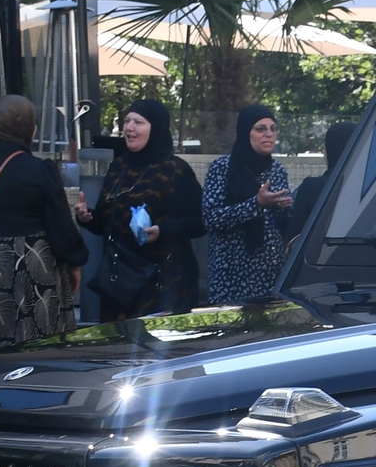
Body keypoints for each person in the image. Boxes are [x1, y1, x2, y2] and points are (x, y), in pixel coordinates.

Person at [0, 93, 88, 354]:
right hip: (36, 266)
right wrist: (76, 261)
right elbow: (61, 228)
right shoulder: (40, 171)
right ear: (29, 130)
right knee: (40, 345)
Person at [94, 98, 201, 317]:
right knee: (117, 346)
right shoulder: (119, 167)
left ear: (157, 128)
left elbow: (201, 222)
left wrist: (163, 231)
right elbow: (104, 222)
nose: (130, 128)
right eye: (127, 121)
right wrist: (86, 218)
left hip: (162, 285)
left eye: (138, 122)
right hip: (121, 284)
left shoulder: (175, 170)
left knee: (154, 349)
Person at [201, 103, 292, 303]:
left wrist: (284, 208)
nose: (268, 134)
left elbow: (284, 223)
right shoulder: (222, 168)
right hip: (230, 275)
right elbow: (211, 219)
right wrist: (256, 204)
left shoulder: (277, 170)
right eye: (260, 129)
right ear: (245, 132)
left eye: (273, 129)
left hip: (269, 274)